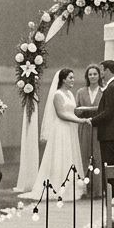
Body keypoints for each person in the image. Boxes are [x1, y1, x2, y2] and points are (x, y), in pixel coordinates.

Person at [31, 68, 89, 200]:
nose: (73, 80)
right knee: (61, 156)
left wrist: (82, 115)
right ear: (63, 79)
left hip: (71, 128)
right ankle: (58, 186)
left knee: (70, 155)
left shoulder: (69, 93)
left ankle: (71, 187)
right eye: (70, 78)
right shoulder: (57, 94)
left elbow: (72, 111)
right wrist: (80, 120)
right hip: (61, 129)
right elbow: (61, 114)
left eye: (73, 77)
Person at [81, 59, 114, 169]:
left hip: (109, 134)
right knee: (110, 166)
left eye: (102, 71)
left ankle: (110, 187)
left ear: (108, 71)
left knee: (109, 167)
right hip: (112, 133)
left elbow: (108, 112)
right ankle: (110, 186)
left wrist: (92, 121)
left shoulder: (112, 88)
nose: (101, 74)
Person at [74, 64, 104, 193]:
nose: (92, 76)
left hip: (99, 128)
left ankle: (97, 189)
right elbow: (76, 110)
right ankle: (84, 189)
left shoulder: (104, 91)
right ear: (87, 76)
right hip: (84, 127)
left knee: (98, 157)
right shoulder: (81, 92)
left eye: (95, 74)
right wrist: (82, 113)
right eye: (90, 74)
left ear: (99, 76)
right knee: (84, 155)